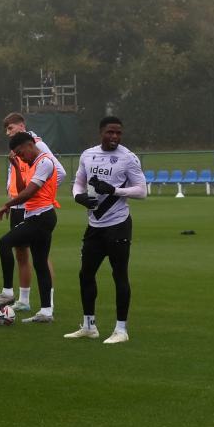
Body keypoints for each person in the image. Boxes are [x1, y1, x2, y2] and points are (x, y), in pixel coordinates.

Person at [65, 116, 145, 345]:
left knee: (119, 275)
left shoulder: (128, 158)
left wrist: (114, 190)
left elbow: (142, 191)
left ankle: (121, 330)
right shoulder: (88, 155)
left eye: (119, 133)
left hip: (118, 224)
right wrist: (78, 197)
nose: (115, 137)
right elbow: (79, 182)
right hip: (94, 226)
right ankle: (89, 326)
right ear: (101, 132)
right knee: (85, 275)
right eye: (110, 132)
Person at [0, 112, 65, 311]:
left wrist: (44, 195)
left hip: (33, 208)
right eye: (6, 129)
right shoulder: (18, 151)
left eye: (11, 128)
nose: (8, 133)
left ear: (22, 126)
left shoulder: (37, 146)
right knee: (21, 253)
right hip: (19, 205)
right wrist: (12, 200)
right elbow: (18, 178)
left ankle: (46, 301)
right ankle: (25, 300)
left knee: (39, 254)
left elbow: (60, 172)